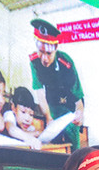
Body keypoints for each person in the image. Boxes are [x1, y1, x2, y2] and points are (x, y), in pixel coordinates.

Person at [29, 18, 84, 149]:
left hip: (69, 106)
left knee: (73, 140)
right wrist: (48, 117)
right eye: (41, 52)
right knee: (52, 144)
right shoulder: (34, 61)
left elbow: (78, 98)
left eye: (49, 53)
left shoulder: (66, 63)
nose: (44, 59)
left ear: (56, 48)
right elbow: (40, 93)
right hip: (51, 105)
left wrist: (80, 114)